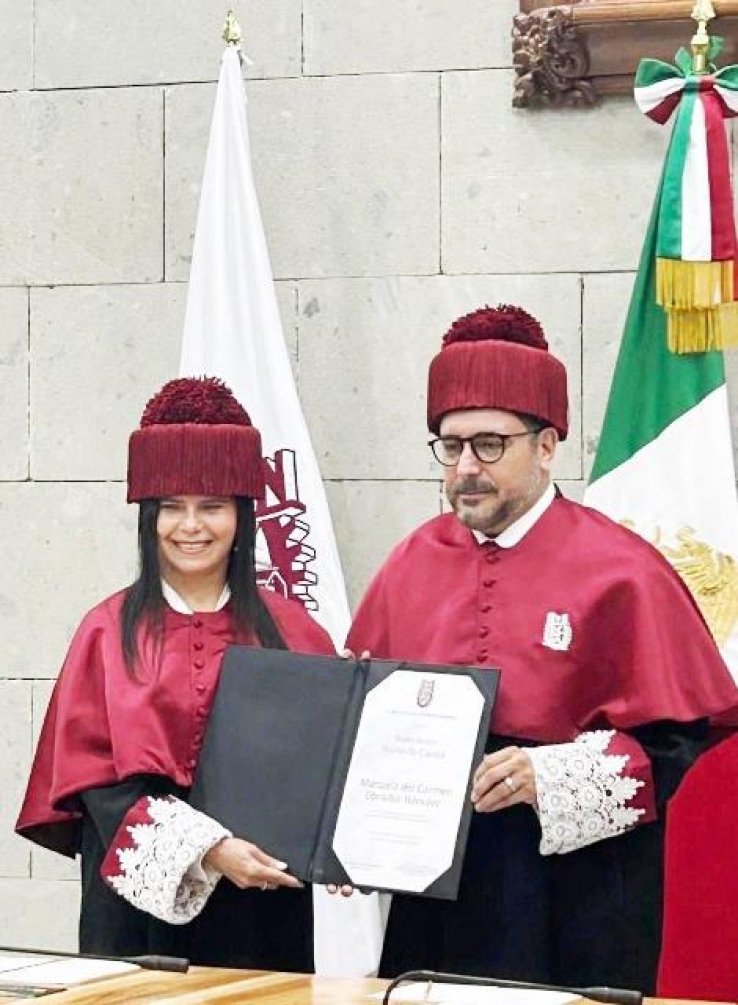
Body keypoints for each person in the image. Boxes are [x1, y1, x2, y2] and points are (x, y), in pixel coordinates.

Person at [347, 304, 738, 992]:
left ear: (548, 443)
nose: (466, 466)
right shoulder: (410, 563)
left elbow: (678, 742)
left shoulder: (623, 570)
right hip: (436, 896)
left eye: (490, 444)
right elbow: (358, 715)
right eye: (451, 444)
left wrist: (547, 775)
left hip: (574, 894)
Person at [16, 376, 334, 972]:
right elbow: (101, 790)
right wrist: (209, 850)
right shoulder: (107, 630)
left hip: (263, 904)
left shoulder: (295, 632)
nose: (192, 527)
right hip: (137, 907)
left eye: (211, 507)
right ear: (148, 517)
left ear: (241, 515)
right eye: (172, 507)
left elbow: (323, 770)